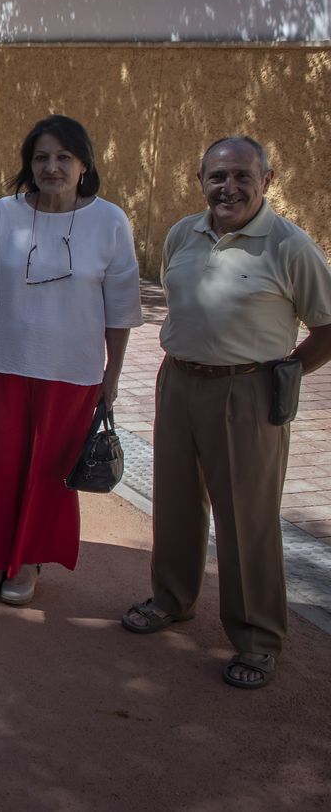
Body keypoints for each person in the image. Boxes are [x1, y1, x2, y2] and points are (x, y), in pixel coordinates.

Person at [121, 136, 331, 689]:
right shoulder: (182, 234)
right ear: (201, 180)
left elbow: (326, 327)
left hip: (247, 392)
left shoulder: (290, 246)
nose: (228, 187)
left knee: (246, 520)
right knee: (175, 503)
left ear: (266, 180)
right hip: (178, 382)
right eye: (217, 176)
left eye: (242, 176)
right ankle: (172, 598)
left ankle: (257, 638)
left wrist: (285, 372)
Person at [0, 116, 143, 606]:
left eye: (64, 157)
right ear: (29, 164)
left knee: (49, 471)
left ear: (84, 165)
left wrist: (111, 376)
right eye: (41, 158)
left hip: (73, 373)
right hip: (7, 366)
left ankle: (28, 561)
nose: (51, 167)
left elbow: (121, 310)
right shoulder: (4, 213)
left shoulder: (110, 222)